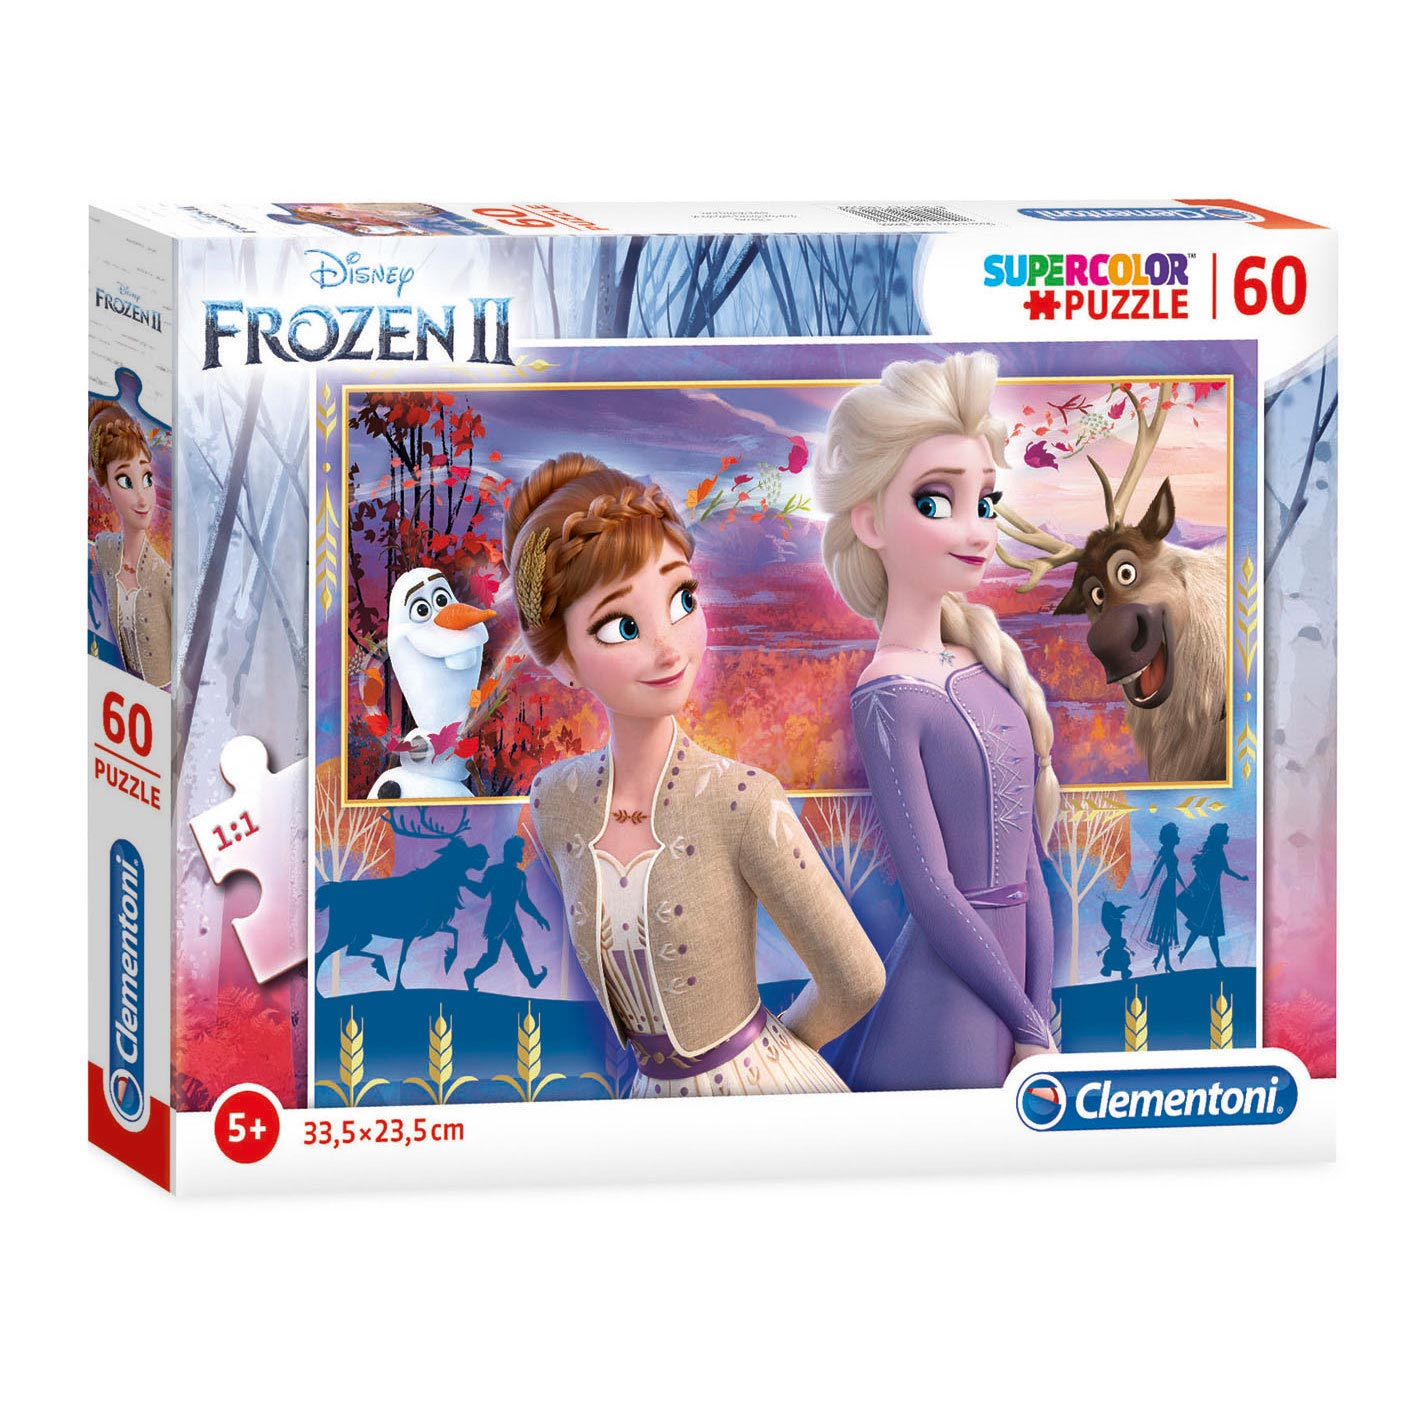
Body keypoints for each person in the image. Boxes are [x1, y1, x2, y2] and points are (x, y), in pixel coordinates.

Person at [509, 453, 884, 1098]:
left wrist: (768, 1058)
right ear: (563, 659)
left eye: (682, 599)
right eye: (622, 626)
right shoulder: (555, 803)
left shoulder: (742, 800)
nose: (668, 647)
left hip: (761, 1098)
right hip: (650, 1102)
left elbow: (857, 978)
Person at [811, 351, 1061, 1090]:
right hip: (947, 1003)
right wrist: (1026, 1020)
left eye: (986, 501)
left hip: (1018, 997)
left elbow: (1030, 866)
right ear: (870, 522)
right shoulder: (888, 694)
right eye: (934, 501)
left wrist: (1038, 1015)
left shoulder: (983, 664)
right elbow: (930, 889)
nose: (977, 530)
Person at [89, 400, 171, 687]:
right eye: (125, 480)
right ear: (104, 487)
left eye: (146, 477)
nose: (142, 498)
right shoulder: (104, 549)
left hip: (162, 695)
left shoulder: (164, 579)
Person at [463, 836, 553, 989]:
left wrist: (539, 917)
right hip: (497, 918)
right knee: (493, 957)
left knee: (518, 951)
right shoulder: (495, 871)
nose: (522, 853)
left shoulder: (519, 876)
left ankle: (531, 979)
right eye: (519, 850)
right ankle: (471, 974)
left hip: (511, 920)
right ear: (511, 852)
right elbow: (482, 891)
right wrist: (465, 882)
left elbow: (524, 902)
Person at [1177, 823, 1248, 968]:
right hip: (1206, 896)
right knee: (1203, 927)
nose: (1227, 837)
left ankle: (1213, 960)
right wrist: (1203, 882)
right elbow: (1198, 867)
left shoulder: (1219, 852)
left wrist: (1240, 877)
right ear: (1219, 837)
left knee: (1207, 929)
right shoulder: (1213, 852)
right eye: (1225, 834)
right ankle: (1213, 960)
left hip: (1213, 896)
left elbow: (1226, 870)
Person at [1141, 822, 1182, 972]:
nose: (1178, 837)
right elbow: (1156, 872)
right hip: (1167, 891)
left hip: (1171, 889)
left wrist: (1184, 887)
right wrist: (1147, 890)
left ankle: (1159, 958)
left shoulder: (1170, 852)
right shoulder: (1166, 853)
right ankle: (1167, 964)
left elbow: (1175, 873)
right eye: (1175, 835)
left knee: (1167, 925)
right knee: (1166, 926)